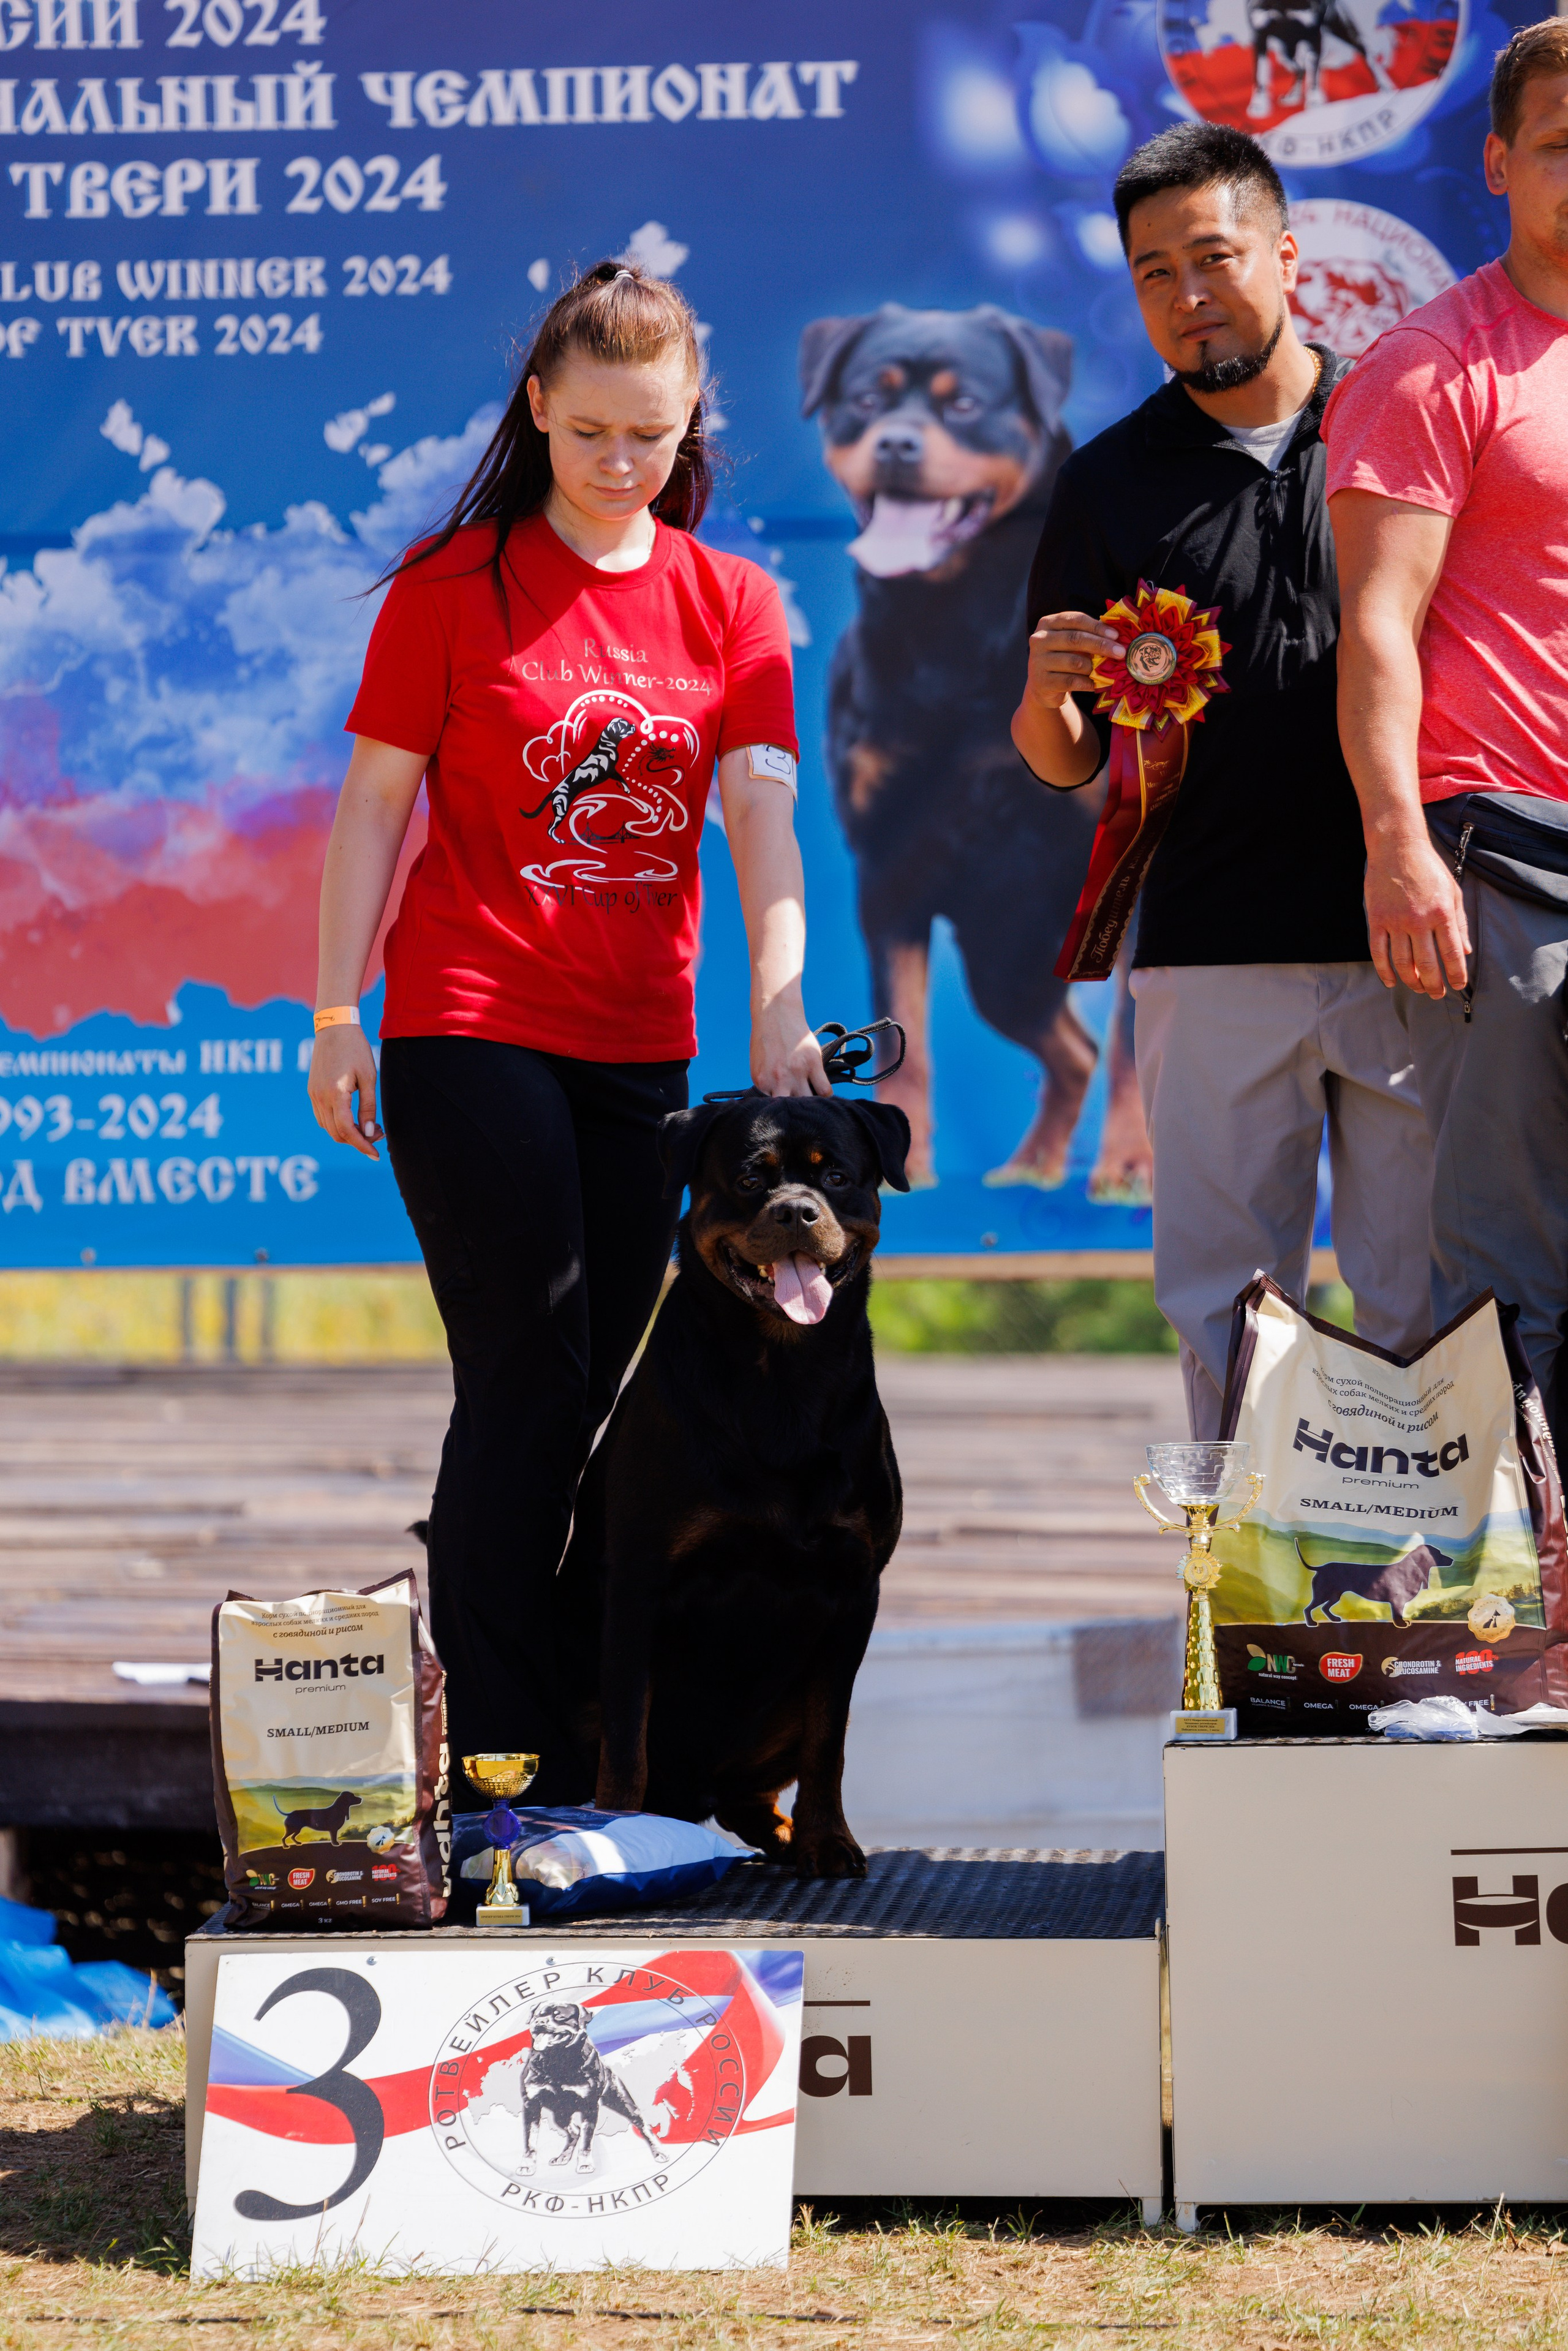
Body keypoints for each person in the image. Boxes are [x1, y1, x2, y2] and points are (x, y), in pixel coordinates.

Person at [307, 261, 827, 1794]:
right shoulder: (450, 585)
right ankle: (497, 1755)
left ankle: (553, 1725)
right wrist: (339, 1009)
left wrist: (779, 1007)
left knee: (591, 1383)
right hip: (469, 1018)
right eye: (589, 429)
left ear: (688, 431)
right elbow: (370, 811)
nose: (616, 462)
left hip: (636, 1046)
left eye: (649, 437)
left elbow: (762, 825)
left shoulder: (731, 602)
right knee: (525, 1369)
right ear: (537, 410)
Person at [1011, 121, 1432, 1437]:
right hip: (1206, 951)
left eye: (1212, 256)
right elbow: (1063, 757)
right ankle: (1244, 1621)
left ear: (1286, 255)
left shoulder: (1399, 423)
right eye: (1152, 273)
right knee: (1224, 1307)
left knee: (1425, 1304)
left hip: (1411, 935)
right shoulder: (1104, 481)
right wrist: (1040, 695)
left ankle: (1435, 1626)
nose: (1187, 296)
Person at [1325, 21, 1568, 1453]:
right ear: (1497, 161)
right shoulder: (1432, 363)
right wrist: (1396, 841)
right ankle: (1506, 1640)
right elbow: (1375, 629)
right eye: (1559, 145)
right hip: (1502, 864)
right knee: (1507, 1276)